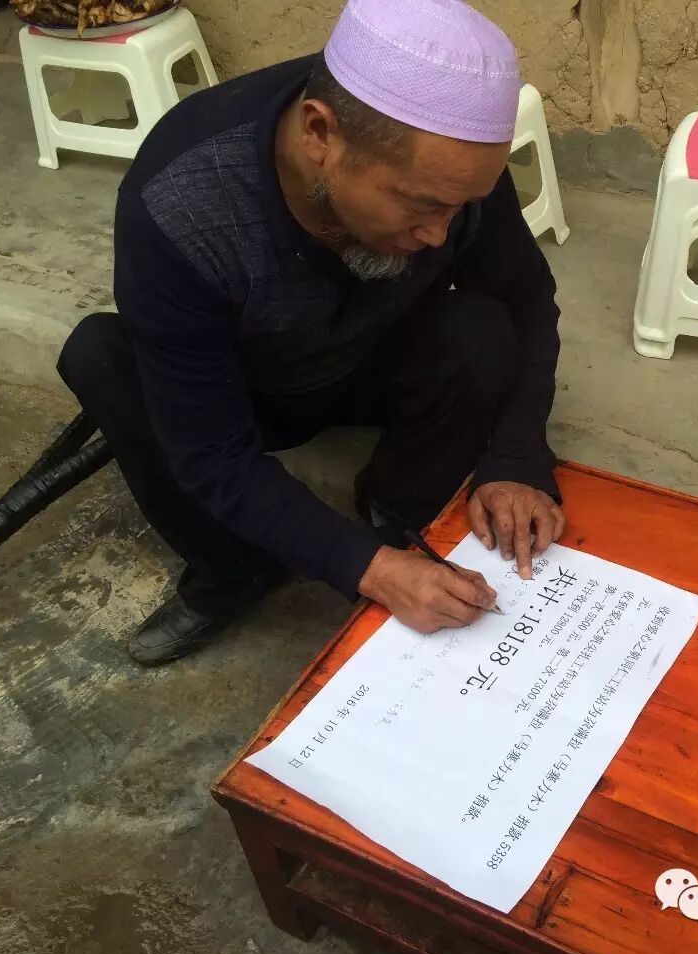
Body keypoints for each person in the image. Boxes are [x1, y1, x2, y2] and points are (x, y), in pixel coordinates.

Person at [57, 0, 567, 666]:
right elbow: (213, 455)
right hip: (245, 390)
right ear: (320, 134)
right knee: (100, 357)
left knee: (479, 329)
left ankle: (400, 513)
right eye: (420, 206)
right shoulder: (181, 205)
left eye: (461, 206)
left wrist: (518, 459)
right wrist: (370, 570)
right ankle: (233, 571)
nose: (439, 234)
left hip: (369, 357)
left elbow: (526, 299)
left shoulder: (448, 155)